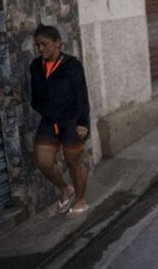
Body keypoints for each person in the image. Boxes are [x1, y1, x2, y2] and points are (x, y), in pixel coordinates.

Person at [30, 24, 90, 216]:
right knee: (43, 162)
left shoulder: (72, 65)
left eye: (45, 44)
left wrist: (83, 122)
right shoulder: (35, 66)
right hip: (49, 121)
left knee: (73, 161)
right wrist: (41, 107)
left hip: (72, 120)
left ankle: (80, 200)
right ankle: (66, 189)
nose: (40, 49)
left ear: (57, 43)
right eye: (38, 45)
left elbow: (82, 95)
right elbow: (36, 95)